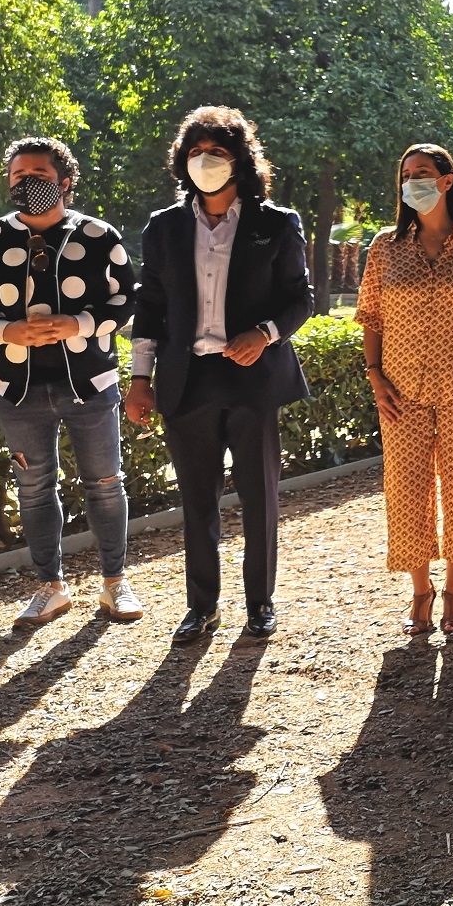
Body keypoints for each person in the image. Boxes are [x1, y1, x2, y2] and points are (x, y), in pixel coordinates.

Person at [126, 107, 313, 644]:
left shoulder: (276, 223)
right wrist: (141, 380)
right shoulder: (163, 227)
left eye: (218, 152)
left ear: (241, 161)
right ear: (183, 162)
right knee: (197, 501)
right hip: (188, 381)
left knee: (260, 496)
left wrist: (266, 333)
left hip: (253, 377)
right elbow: (152, 308)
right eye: (195, 153)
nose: (205, 162)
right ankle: (201, 606)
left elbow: (299, 298)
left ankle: (260, 603)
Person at [0, 137, 142, 629]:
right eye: (18, 176)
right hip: (16, 387)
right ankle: (50, 588)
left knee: (105, 483)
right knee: (33, 488)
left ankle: (115, 583)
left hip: (90, 383)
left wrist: (78, 324)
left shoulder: (99, 236)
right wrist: (4, 331)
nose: (27, 182)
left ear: (66, 183)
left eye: (38, 174)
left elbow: (127, 302)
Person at [358, 145, 453, 636]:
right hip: (400, 392)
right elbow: (371, 317)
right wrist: (374, 374)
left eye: (422, 174)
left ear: (447, 181)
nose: (413, 183)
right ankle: (420, 590)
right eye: (406, 175)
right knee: (406, 492)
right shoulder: (385, 247)